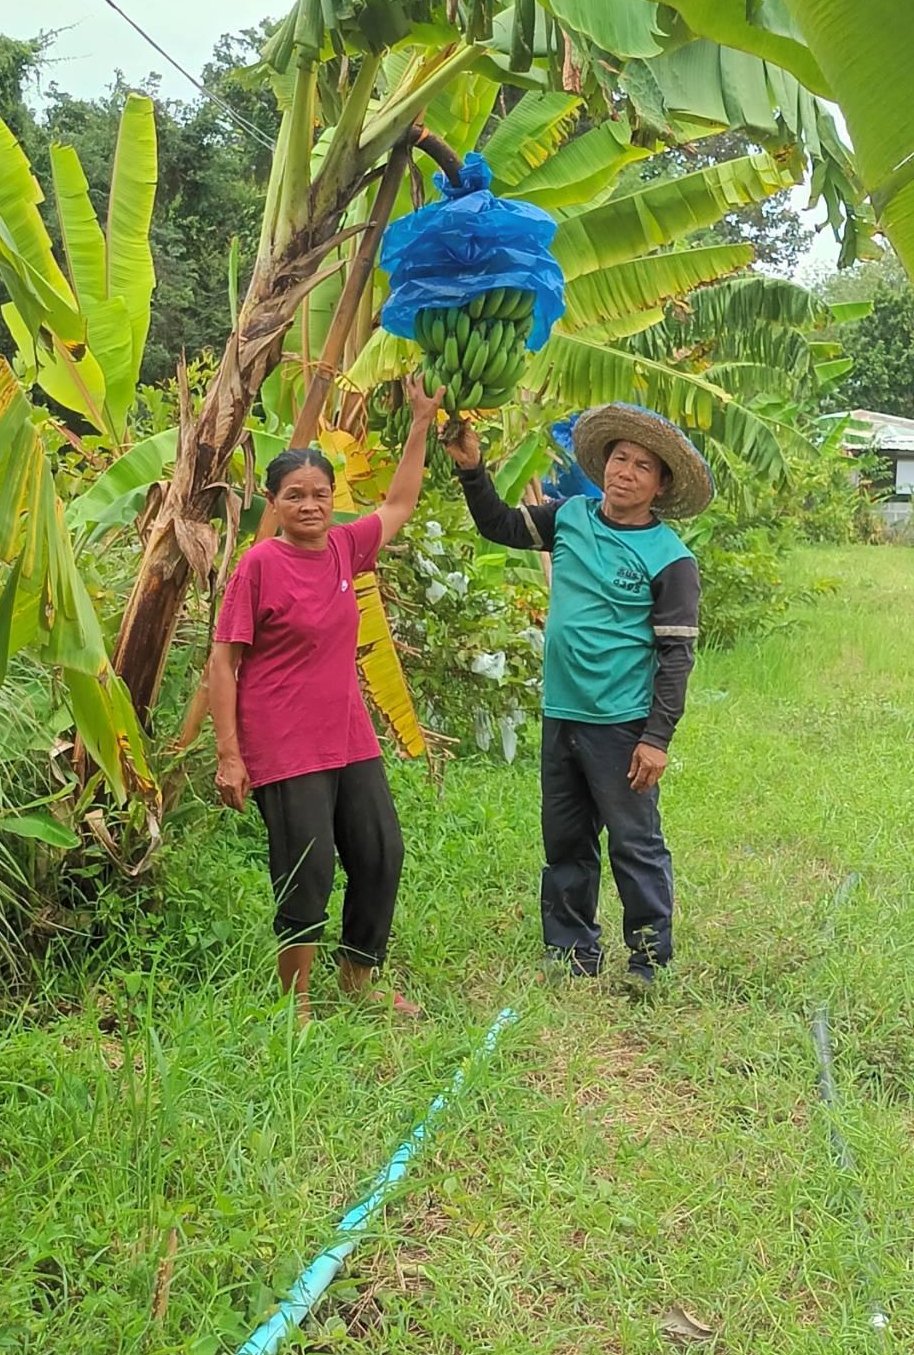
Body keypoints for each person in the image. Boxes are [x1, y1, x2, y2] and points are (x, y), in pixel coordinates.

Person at [446, 402, 714, 990]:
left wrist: (656, 738)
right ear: (603, 465)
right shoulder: (570, 517)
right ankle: (571, 952)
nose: (626, 471)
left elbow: (676, 659)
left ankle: (649, 961)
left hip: (621, 723)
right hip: (561, 712)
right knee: (565, 841)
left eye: (643, 466)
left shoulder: (671, 559)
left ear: (660, 484)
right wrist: (472, 470)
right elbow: (500, 526)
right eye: (620, 458)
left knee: (635, 843)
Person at [209, 376, 443, 1023]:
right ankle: (297, 1003)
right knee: (306, 872)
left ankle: (357, 982)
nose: (310, 505)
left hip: (348, 736)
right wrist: (229, 755)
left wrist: (421, 422)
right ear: (274, 501)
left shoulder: (345, 545)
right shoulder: (259, 566)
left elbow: (398, 505)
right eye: (295, 496)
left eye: (319, 494)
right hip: (284, 745)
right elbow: (224, 662)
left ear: (331, 497)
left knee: (380, 853)